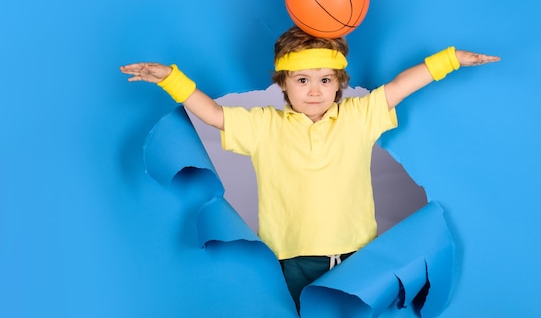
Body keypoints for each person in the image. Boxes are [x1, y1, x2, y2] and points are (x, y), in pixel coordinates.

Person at [120, 25, 500, 312]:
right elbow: (214, 115)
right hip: (293, 256)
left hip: (358, 253)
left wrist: (451, 59)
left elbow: (402, 85)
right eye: (303, 80)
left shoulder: (359, 116)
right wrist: (171, 78)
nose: (314, 90)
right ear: (284, 84)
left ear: (339, 84)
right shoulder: (264, 125)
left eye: (325, 80)